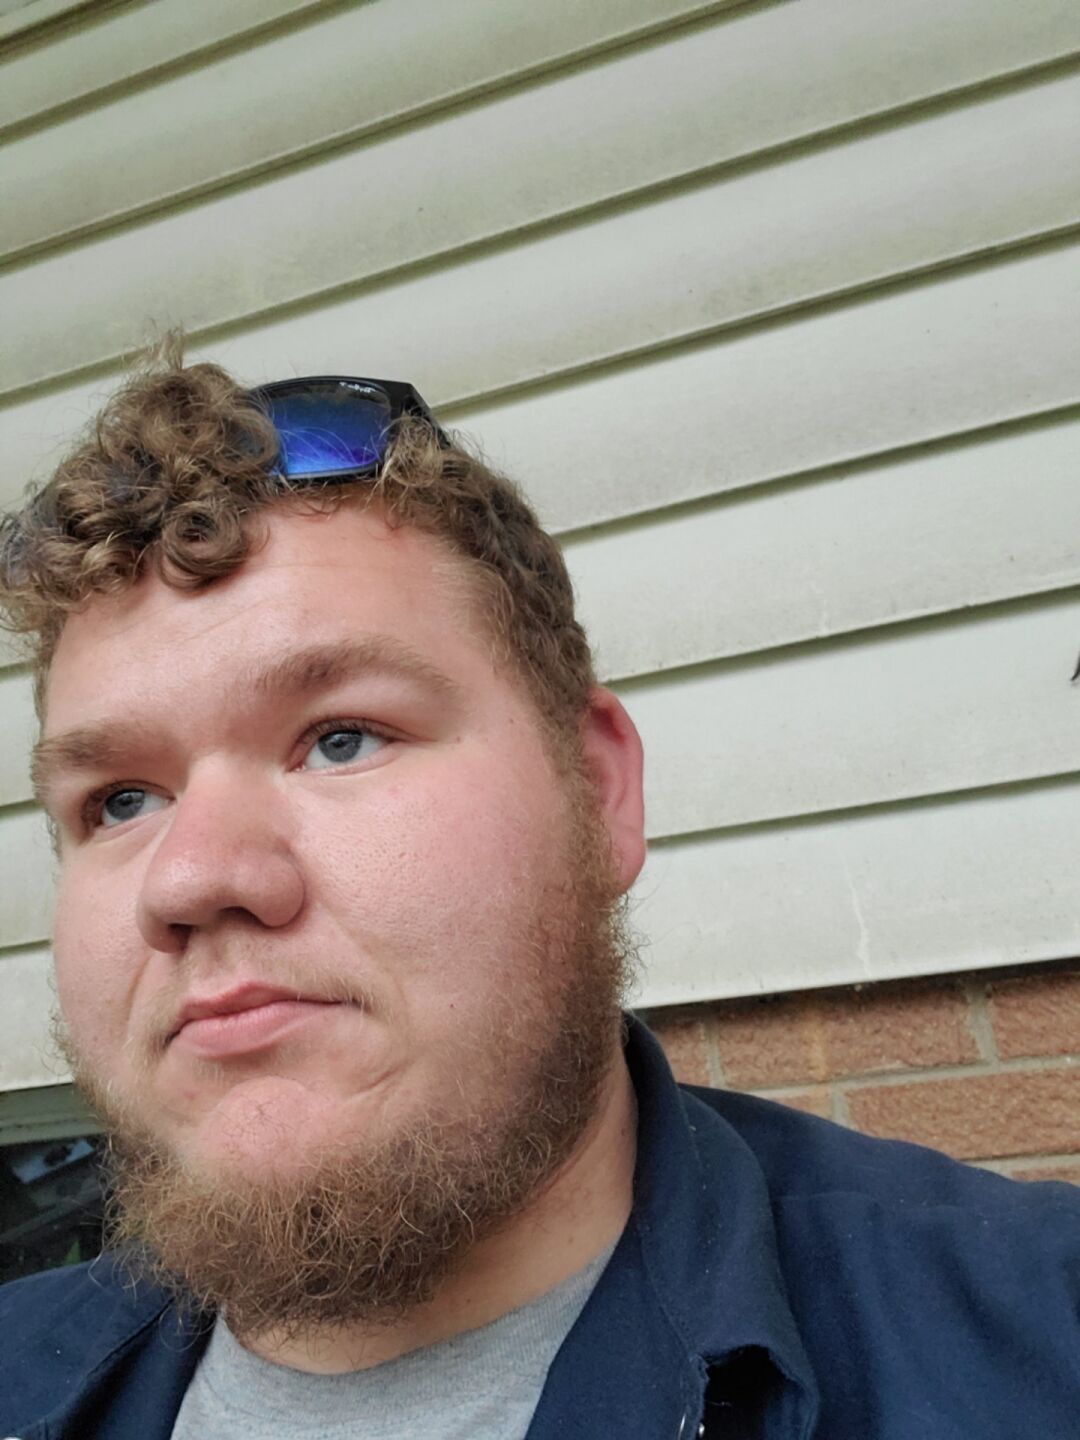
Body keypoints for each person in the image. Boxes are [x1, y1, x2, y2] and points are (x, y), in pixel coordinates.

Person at [0, 353, 1076, 1440]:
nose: (189, 879)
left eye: (342, 739)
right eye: (120, 801)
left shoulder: (1038, 1342)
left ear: (597, 791)